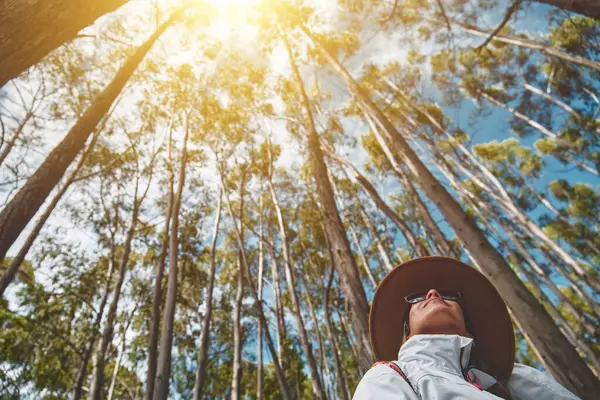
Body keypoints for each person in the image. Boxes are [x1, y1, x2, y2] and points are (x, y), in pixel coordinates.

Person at [353, 256, 581, 400]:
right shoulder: (389, 375)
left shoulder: (517, 378)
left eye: (450, 296)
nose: (433, 293)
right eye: (417, 298)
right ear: (408, 334)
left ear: (469, 330)